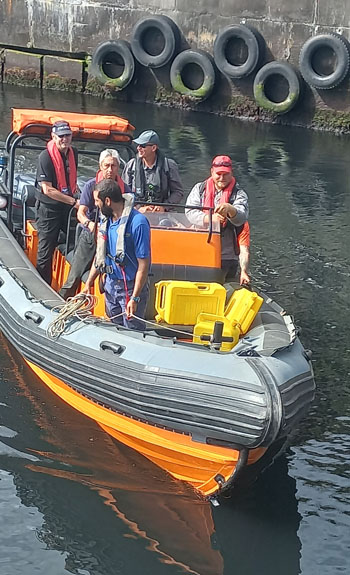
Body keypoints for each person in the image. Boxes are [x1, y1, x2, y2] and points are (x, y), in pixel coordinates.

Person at [59, 148, 130, 300]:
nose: (110, 170)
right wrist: (90, 224)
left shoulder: (125, 190)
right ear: (100, 166)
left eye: (114, 166)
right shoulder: (90, 186)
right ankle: (62, 300)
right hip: (91, 234)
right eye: (107, 166)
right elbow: (81, 212)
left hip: (114, 237)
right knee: (75, 275)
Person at [83, 179, 150, 330]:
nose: (95, 205)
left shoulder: (138, 223)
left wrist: (135, 298)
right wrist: (89, 283)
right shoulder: (106, 220)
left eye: (97, 201)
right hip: (111, 285)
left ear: (107, 201)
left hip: (130, 288)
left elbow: (143, 265)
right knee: (114, 329)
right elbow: (100, 256)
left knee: (132, 331)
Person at [186, 155, 250, 284]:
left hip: (226, 256)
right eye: (218, 174)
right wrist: (209, 218)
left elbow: (241, 218)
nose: (222, 178)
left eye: (225, 174)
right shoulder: (200, 189)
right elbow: (189, 212)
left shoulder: (239, 194)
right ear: (212, 172)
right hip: (201, 250)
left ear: (231, 173)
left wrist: (230, 209)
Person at [36, 120, 79, 285]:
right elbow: (47, 189)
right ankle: (42, 286)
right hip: (49, 209)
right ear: (53, 137)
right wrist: (73, 201)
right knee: (45, 251)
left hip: (67, 207)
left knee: (75, 242)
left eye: (67, 135)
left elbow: (71, 181)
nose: (64, 139)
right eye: (61, 136)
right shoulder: (45, 157)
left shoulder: (73, 153)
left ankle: (70, 283)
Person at [122, 130, 184, 211]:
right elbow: (124, 193)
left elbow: (178, 192)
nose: (138, 148)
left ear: (153, 148)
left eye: (143, 145)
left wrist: (164, 207)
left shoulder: (169, 166)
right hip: (136, 212)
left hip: (162, 213)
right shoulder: (131, 166)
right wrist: (138, 208)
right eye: (138, 145)